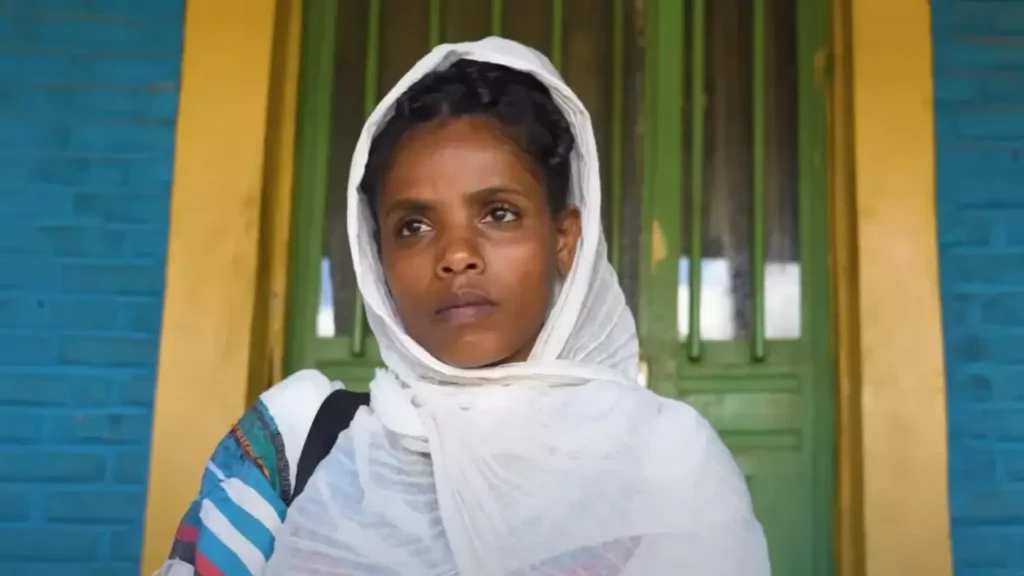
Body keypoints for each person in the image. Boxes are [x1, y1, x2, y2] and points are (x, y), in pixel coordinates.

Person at [157, 37, 769, 576]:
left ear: (564, 238)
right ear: (377, 260)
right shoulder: (296, 444)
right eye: (414, 226)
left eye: (499, 214)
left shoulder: (666, 463)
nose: (455, 255)